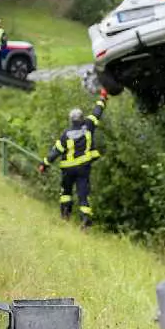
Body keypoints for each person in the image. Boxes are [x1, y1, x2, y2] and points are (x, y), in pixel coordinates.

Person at [38, 88, 110, 228]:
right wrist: (102, 98)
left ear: (71, 120)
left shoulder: (66, 134)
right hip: (83, 168)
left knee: (66, 193)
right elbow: (97, 111)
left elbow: (55, 152)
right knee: (83, 194)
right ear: (82, 118)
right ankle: (85, 219)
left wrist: (44, 164)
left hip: (68, 169)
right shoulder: (88, 125)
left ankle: (65, 215)